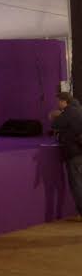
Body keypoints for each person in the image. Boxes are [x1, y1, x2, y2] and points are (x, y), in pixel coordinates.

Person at [51, 92, 82, 221]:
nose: (58, 104)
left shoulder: (68, 112)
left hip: (74, 153)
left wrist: (54, 116)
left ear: (64, 101)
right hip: (80, 150)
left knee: (76, 184)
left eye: (58, 101)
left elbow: (54, 124)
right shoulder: (79, 109)